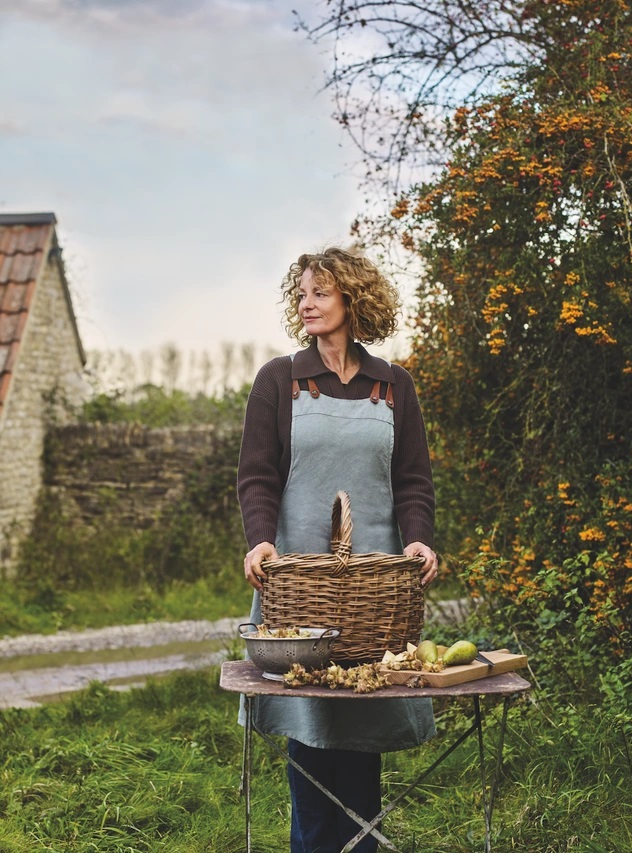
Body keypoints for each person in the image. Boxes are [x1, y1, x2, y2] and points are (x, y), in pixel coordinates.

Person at [237, 246, 438, 852]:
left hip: (374, 589)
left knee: (359, 723)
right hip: (299, 582)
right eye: (301, 293)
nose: (306, 303)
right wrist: (261, 541)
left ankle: (360, 844)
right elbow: (257, 476)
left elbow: (413, 482)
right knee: (311, 721)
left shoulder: (393, 385)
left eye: (320, 292)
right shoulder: (280, 379)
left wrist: (420, 539)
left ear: (352, 300)